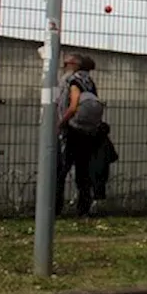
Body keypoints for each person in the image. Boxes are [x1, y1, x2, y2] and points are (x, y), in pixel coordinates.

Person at [54, 53, 103, 218]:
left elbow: (74, 105)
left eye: (67, 63)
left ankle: (55, 208)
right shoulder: (90, 82)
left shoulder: (74, 81)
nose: (64, 65)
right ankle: (84, 208)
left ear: (74, 64)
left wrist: (61, 123)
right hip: (88, 132)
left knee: (60, 170)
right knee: (83, 172)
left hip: (73, 131)